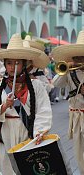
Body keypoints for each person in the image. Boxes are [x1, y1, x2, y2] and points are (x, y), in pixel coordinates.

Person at [0, 34, 52, 174]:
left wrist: (39, 132)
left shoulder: (36, 86)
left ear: (24, 64)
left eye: (17, 63)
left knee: (27, 167)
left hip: (28, 132)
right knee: (8, 167)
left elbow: (44, 110)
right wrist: (4, 106)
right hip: (6, 133)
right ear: (5, 64)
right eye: (9, 63)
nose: (13, 67)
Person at [52, 30, 84, 174]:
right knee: (78, 153)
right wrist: (65, 69)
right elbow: (56, 84)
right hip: (76, 118)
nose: (80, 60)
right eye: (77, 57)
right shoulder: (70, 71)